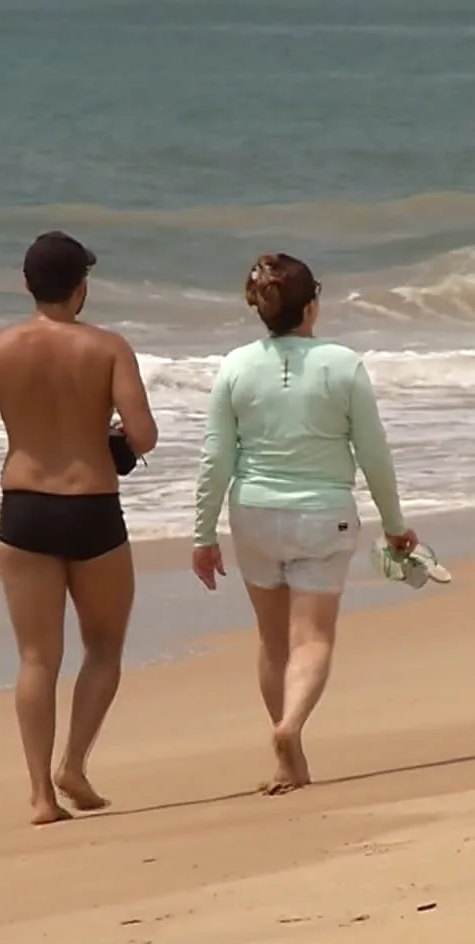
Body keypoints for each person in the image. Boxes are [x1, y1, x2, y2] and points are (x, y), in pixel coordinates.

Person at [190, 252, 416, 795]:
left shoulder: (235, 366)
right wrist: (394, 523)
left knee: (273, 643)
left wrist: (203, 534)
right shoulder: (344, 365)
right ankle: (290, 728)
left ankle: (288, 758)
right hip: (323, 515)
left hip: (253, 515)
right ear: (312, 304)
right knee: (312, 638)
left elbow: (215, 457)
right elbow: (373, 453)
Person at [0, 231, 159, 825]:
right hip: (93, 509)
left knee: (36, 658)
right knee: (104, 647)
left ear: (27, 284)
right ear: (82, 287)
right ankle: (72, 763)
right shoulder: (108, 348)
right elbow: (144, 435)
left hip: (25, 511)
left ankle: (41, 797)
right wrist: (111, 439)